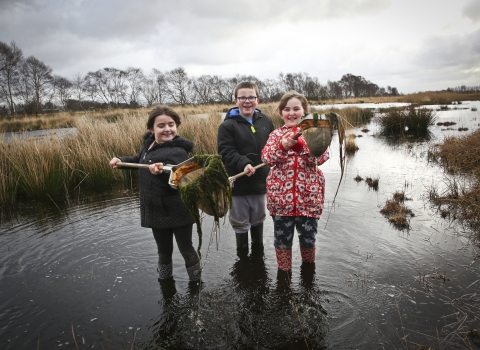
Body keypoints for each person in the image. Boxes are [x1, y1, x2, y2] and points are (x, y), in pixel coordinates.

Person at [109, 105, 201, 282]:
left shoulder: (178, 151)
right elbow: (138, 159)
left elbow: (182, 177)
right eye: (161, 125)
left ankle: (196, 282)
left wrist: (164, 170)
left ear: (177, 126)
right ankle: (165, 282)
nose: (167, 129)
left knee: (186, 248)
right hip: (156, 208)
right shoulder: (149, 143)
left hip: (178, 209)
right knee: (163, 251)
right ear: (152, 128)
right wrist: (121, 160)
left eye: (171, 124)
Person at [261, 91, 330, 274]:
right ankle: (284, 275)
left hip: (308, 199)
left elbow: (322, 157)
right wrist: (282, 147)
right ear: (280, 112)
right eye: (286, 109)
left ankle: (309, 273)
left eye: (296, 109)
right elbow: (267, 159)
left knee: (308, 239)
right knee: (282, 241)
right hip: (280, 201)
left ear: (304, 111)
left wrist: (301, 147)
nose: (291, 113)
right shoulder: (276, 134)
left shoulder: (314, 132)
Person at [217, 81, 275, 257]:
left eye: (251, 97)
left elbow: (272, 146)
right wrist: (244, 163)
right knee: (241, 224)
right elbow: (226, 152)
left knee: (258, 221)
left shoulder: (266, 120)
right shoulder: (227, 125)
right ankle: (242, 261)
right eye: (243, 97)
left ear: (258, 99)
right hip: (238, 183)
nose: (247, 101)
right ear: (236, 100)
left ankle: (258, 261)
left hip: (260, 182)